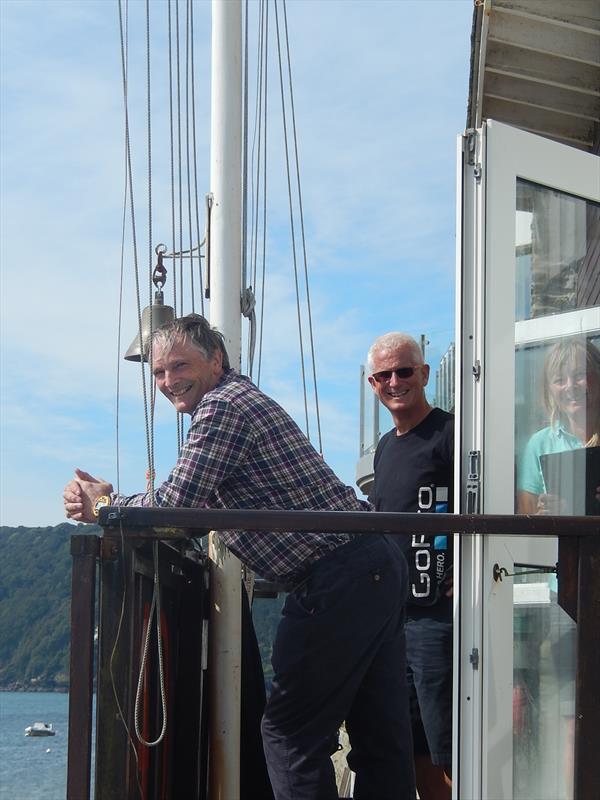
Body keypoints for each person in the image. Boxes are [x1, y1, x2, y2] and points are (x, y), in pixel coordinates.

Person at [63, 313, 416, 800]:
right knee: (380, 741)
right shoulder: (240, 403)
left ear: (215, 360)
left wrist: (103, 506)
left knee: (290, 738)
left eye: (179, 366)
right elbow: (198, 503)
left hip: (339, 576)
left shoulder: (222, 407)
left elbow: (174, 507)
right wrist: (119, 503)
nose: (168, 381)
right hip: (373, 562)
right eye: (159, 373)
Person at [367, 332, 454, 800]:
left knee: (445, 741)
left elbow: (482, 502)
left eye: (404, 371)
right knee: (411, 739)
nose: (395, 381)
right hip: (393, 615)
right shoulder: (385, 447)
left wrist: (467, 569)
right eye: (384, 375)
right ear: (372, 383)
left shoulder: (451, 434)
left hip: (434, 614)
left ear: (424, 373)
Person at [517, 336, 600, 515]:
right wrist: (543, 514)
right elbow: (525, 520)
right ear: (550, 391)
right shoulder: (540, 444)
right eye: (560, 380)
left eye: (580, 375)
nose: (570, 386)